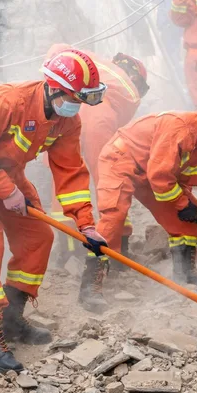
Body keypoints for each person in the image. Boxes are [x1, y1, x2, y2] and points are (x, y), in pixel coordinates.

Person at [0, 48, 108, 373]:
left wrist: (86, 225)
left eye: (81, 100)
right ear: (52, 87)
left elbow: (71, 173)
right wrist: (6, 192)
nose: (75, 107)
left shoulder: (68, 121)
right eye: (73, 98)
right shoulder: (9, 101)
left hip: (9, 171)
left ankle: (10, 319)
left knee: (38, 238)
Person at [83, 88, 197, 311]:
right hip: (122, 160)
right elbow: (160, 177)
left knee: (187, 219)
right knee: (114, 215)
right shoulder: (180, 129)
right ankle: (90, 287)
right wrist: (181, 203)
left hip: (156, 174)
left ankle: (185, 275)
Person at [43, 45, 148, 276]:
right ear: (134, 76)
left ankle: (68, 250)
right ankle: (118, 249)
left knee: (63, 176)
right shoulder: (122, 88)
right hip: (100, 117)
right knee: (109, 180)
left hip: (72, 112)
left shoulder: (94, 70)